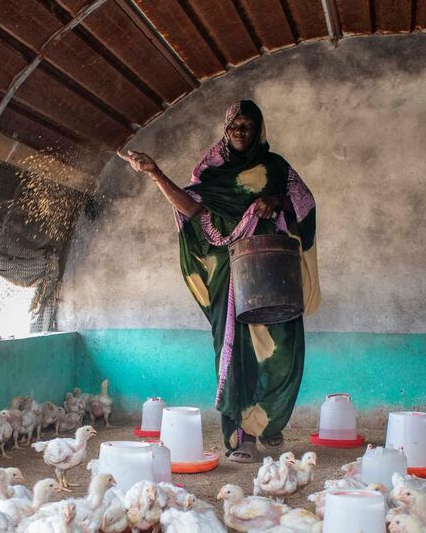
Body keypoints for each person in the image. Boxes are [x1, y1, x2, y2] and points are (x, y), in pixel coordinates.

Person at [119, 100, 320, 462]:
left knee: (283, 349)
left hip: (272, 270)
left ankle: (268, 423)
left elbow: (304, 203)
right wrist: (155, 173)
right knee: (235, 352)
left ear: (259, 129)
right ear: (225, 130)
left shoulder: (276, 168)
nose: (240, 132)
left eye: (247, 126)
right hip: (228, 276)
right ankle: (241, 437)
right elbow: (192, 208)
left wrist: (275, 200)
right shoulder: (210, 172)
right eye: (234, 126)